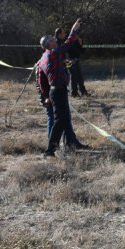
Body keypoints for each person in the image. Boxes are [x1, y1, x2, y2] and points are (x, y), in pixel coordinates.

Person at [38, 18, 84, 157]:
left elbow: (42, 78)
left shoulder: (46, 56)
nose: (55, 40)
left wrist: (45, 95)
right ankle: (50, 150)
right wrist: (74, 30)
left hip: (58, 91)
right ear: (49, 44)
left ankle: (68, 144)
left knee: (63, 119)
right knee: (59, 120)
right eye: (53, 39)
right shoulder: (53, 53)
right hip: (57, 91)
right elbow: (68, 43)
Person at [36, 55, 89, 151]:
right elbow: (40, 82)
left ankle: (71, 143)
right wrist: (45, 97)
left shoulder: (57, 59)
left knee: (66, 119)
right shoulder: (45, 60)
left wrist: (69, 64)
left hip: (60, 93)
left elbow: (66, 70)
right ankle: (51, 147)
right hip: (52, 95)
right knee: (54, 119)